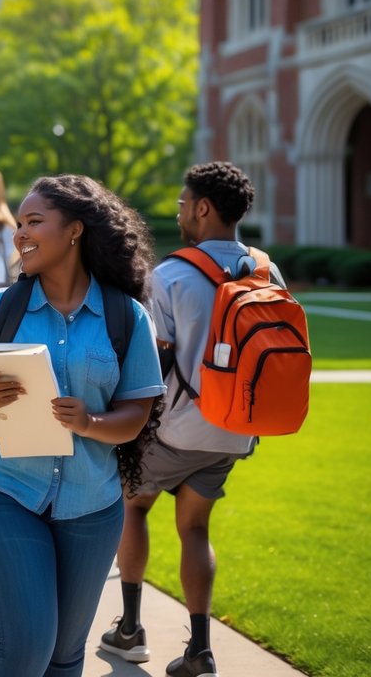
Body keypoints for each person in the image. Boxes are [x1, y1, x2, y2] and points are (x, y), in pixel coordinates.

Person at [0, 174, 165, 677]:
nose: (21, 233)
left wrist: (90, 420)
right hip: (9, 493)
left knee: (65, 657)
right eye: (19, 223)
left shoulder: (126, 317)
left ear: (75, 230)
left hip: (94, 505)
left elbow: (135, 416)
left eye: (34, 222)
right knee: (28, 647)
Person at [99, 162, 269, 677]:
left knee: (133, 507)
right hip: (236, 430)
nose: (178, 212)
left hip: (175, 428)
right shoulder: (266, 270)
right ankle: (200, 650)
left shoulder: (170, 276)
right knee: (195, 526)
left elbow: (152, 364)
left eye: (182, 203)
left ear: (203, 208)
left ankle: (129, 630)